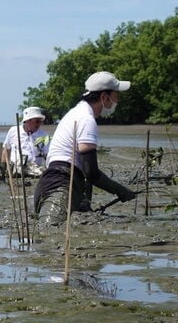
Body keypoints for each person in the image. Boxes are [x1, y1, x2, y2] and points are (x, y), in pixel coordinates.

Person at [34, 71, 137, 226]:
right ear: (104, 97)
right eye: (116, 96)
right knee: (48, 231)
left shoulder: (75, 112)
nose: (117, 101)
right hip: (61, 188)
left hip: (49, 183)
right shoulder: (86, 120)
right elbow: (92, 173)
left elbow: (85, 172)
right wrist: (121, 190)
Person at [1, 106, 50, 177]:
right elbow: (6, 149)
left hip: (34, 168)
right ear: (28, 121)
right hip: (16, 166)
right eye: (37, 121)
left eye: (40, 121)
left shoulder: (44, 135)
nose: (39, 124)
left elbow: (48, 154)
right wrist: (3, 169)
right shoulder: (13, 131)